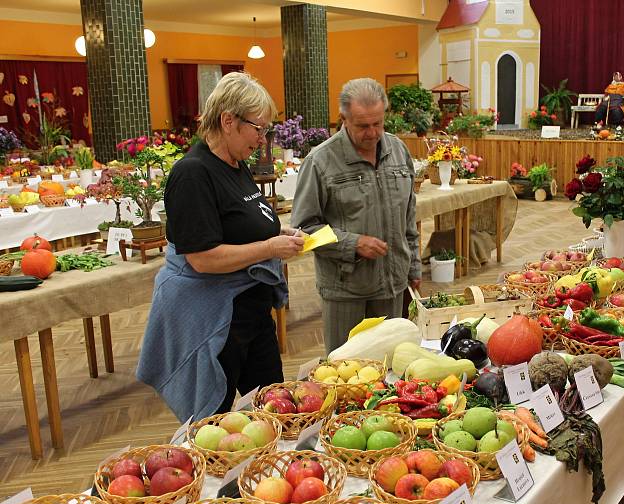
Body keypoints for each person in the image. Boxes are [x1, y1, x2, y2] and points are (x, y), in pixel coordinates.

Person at [137, 72, 305, 421]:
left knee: (277, 412)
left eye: (266, 130)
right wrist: (270, 247)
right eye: (258, 129)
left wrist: (280, 232)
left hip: (251, 316)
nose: (263, 139)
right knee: (214, 425)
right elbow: (202, 258)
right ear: (228, 120)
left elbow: (242, 224)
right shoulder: (192, 174)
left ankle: (267, 474)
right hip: (216, 322)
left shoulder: (236, 165)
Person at [291, 77, 421, 354]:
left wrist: (414, 267)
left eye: (378, 123)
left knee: (392, 372)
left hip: (394, 287)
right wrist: (352, 243)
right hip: (346, 292)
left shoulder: (398, 151)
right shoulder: (320, 161)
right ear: (344, 119)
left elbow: (408, 218)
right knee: (345, 374)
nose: (373, 133)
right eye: (363, 126)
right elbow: (303, 229)